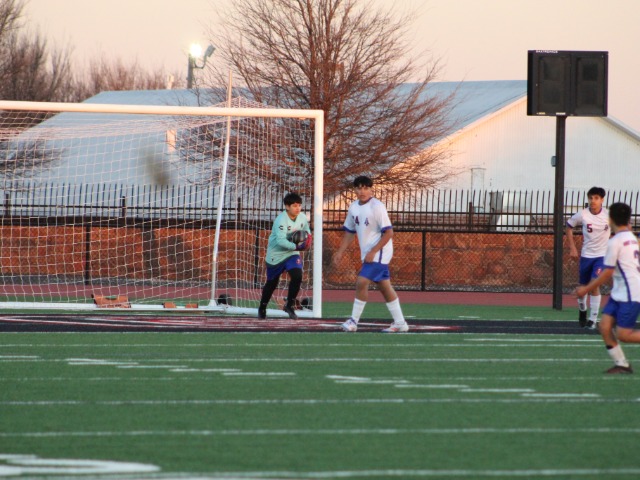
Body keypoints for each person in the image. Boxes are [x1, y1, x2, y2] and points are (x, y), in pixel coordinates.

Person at [332, 175, 409, 333]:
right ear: (354, 190)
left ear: (371, 190)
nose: (362, 191)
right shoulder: (353, 207)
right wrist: (340, 252)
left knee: (361, 282)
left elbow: (389, 233)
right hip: (369, 253)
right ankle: (400, 322)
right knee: (384, 286)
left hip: (380, 252)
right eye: (359, 188)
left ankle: (353, 321)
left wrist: (373, 251)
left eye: (366, 188)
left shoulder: (377, 206)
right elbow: (350, 232)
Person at [574, 202, 640, 374]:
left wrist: (585, 289)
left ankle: (622, 364)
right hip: (619, 292)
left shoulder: (615, 241)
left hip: (630, 293)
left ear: (610, 219)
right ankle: (622, 364)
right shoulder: (631, 237)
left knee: (624, 335)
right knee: (604, 326)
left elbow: (606, 273)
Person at [258, 192, 312, 320]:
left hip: (292, 253)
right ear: (287, 207)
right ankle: (262, 306)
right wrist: (296, 247)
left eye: (299, 205)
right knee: (272, 283)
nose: (298, 208)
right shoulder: (281, 220)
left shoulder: (302, 217)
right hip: (276, 255)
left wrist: (308, 240)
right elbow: (281, 241)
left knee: (297, 275)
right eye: (294, 206)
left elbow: (307, 231)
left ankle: (289, 305)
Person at [566, 186, 609, 329]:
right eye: (591, 198)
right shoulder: (583, 214)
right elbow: (569, 226)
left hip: (601, 256)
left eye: (596, 198)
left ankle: (593, 319)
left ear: (602, 200)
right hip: (586, 256)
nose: (593, 201)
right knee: (583, 288)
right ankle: (582, 311)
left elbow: (621, 228)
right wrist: (572, 247)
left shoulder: (608, 215)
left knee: (594, 285)